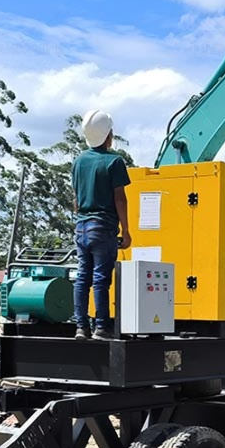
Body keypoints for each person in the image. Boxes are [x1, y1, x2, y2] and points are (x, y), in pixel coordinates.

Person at [72, 109, 131, 339]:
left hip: (81, 226)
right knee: (100, 278)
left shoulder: (78, 161)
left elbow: (76, 199)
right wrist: (126, 231)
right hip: (103, 227)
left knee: (82, 276)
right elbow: (120, 198)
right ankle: (101, 327)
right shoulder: (114, 161)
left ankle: (81, 327)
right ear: (108, 135)